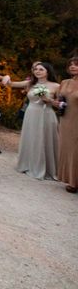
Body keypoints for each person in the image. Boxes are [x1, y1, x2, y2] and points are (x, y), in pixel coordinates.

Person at [5, 62, 59, 180]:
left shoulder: (56, 86)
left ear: (47, 72)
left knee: (44, 139)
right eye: (36, 69)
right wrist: (7, 77)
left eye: (41, 69)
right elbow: (11, 84)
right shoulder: (30, 83)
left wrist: (48, 100)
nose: (37, 71)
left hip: (46, 115)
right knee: (31, 138)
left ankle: (46, 169)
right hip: (31, 114)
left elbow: (59, 104)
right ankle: (28, 164)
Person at [54, 57, 78, 193]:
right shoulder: (64, 82)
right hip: (65, 120)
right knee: (66, 148)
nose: (73, 67)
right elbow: (57, 100)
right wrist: (55, 103)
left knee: (76, 150)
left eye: (76, 65)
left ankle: (75, 182)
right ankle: (70, 180)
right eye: (71, 65)